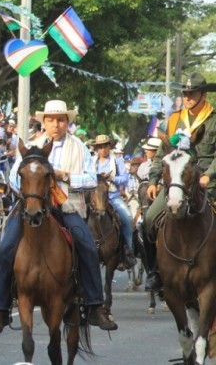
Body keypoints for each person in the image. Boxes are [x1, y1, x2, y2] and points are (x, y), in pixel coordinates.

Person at [0, 100, 117, 335]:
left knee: (88, 247)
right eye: (51, 120)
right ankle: (1, 309)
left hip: (67, 207)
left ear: (67, 122)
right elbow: (14, 178)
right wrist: (30, 185)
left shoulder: (79, 147)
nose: (56, 124)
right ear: (43, 122)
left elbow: (91, 179)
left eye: (60, 120)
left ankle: (95, 306)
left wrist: (64, 176)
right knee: (5, 249)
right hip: (32, 207)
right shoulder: (30, 146)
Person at [145, 73, 216, 291]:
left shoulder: (214, 119)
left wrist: (209, 175)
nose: (187, 97)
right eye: (185, 93)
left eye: (192, 93)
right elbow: (161, 154)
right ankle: (155, 271)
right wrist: (153, 179)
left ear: (203, 94)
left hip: (208, 183)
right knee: (148, 219)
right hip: (177, 183)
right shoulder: (174, 119)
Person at [91, 134, 135, 268]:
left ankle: (128, 251)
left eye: (105, 146)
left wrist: (112, 179)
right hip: (95, 198)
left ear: (109, 146)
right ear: (96, 149)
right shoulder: (92, 161)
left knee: (128, 218)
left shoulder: (117, 160)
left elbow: (125, 178)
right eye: (100, 147)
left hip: (112, 196)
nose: (103, 149)